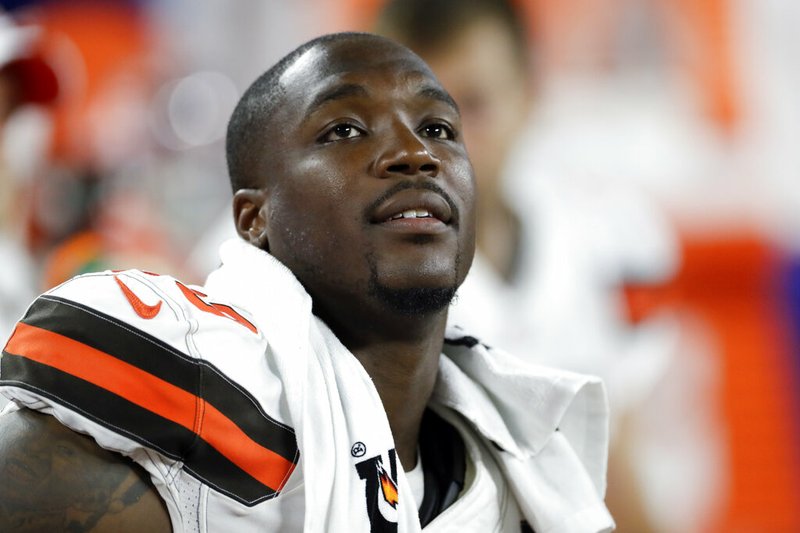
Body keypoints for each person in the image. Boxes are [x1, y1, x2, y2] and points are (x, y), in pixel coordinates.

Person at [0, 32, 614, 532]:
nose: (414, 153)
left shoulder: (524, 466)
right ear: (254, 217)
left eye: (438, 129)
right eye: (345, 130)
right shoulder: (207, 383)